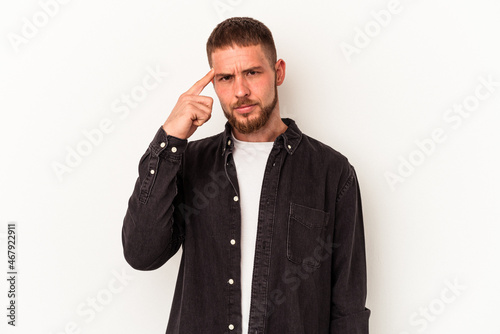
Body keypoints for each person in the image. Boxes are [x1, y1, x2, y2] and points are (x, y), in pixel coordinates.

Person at [122, 17, 370, 334]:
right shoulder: (189, 162)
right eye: (226, 78)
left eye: (252, 72)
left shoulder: (331, 172)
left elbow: (348, 308)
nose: (240, 90)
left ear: (278, 72)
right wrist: (169, 141)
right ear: (214, 85)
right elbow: (142, 253)